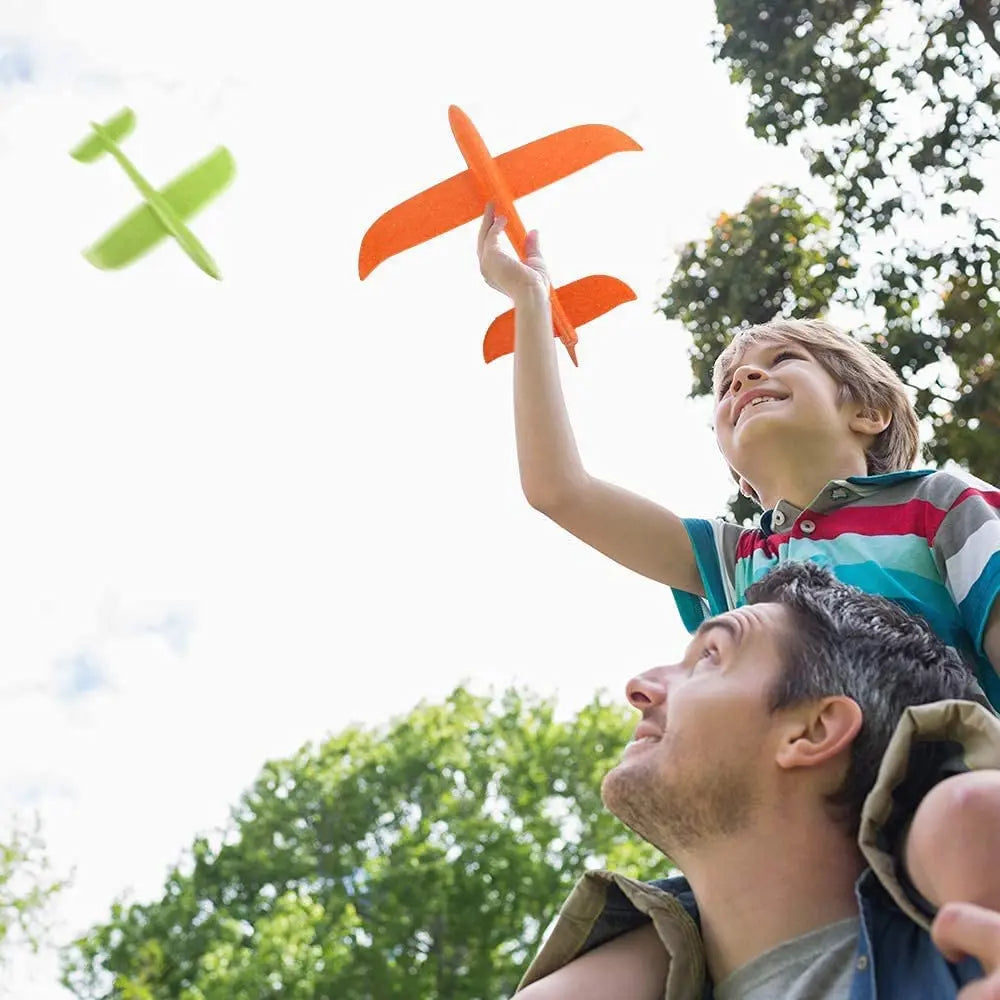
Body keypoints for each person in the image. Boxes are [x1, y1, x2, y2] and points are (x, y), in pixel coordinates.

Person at [475, 204, 1000, 990]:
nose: (746, 378)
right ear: (736, 470)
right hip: (767, 835)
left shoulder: (939, 503)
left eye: (782, 360)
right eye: (726, 386)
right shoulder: (733, 559)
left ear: (869, 411)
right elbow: (559, 489)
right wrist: (530, 302)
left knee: (963, 830)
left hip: (925, 781)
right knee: (585, 978)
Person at [514, 562, 1000, 999]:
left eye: (709, 656)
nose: (639, 687)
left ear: (813, 730)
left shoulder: (971, 945)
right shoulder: (611, 976)